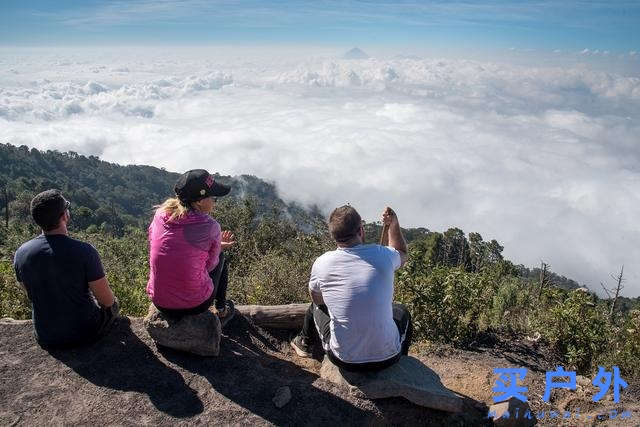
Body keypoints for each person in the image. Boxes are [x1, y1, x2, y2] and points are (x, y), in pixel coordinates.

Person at [290, 205, 413, 371]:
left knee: (314, 308)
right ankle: (401, 363)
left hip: (344, 360)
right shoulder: (383, 255)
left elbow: (317, 299)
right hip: (388, 359)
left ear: (334, 236)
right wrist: (393, 224)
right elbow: (401, 252)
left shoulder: (322, 263)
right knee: (402, 311)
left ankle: (304, 342)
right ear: (361, 230)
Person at [13, 189, 119, 348]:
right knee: (114, 304)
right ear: (65, 216)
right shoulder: (84, 251)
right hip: (85, 332)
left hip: (45, 335)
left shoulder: (21, 253)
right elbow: (107, 300)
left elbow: (30, 293)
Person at [147, 169, 235, 319]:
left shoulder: (160, 214)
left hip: (159, 301)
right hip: (194, 305)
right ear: (199, 201)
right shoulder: (210, 227)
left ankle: (219, 308)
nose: (214, 201)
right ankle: (221, 309)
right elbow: (210, 266)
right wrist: (218, 247)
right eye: (213, 197)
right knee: (221, 257)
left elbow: (158, 243)